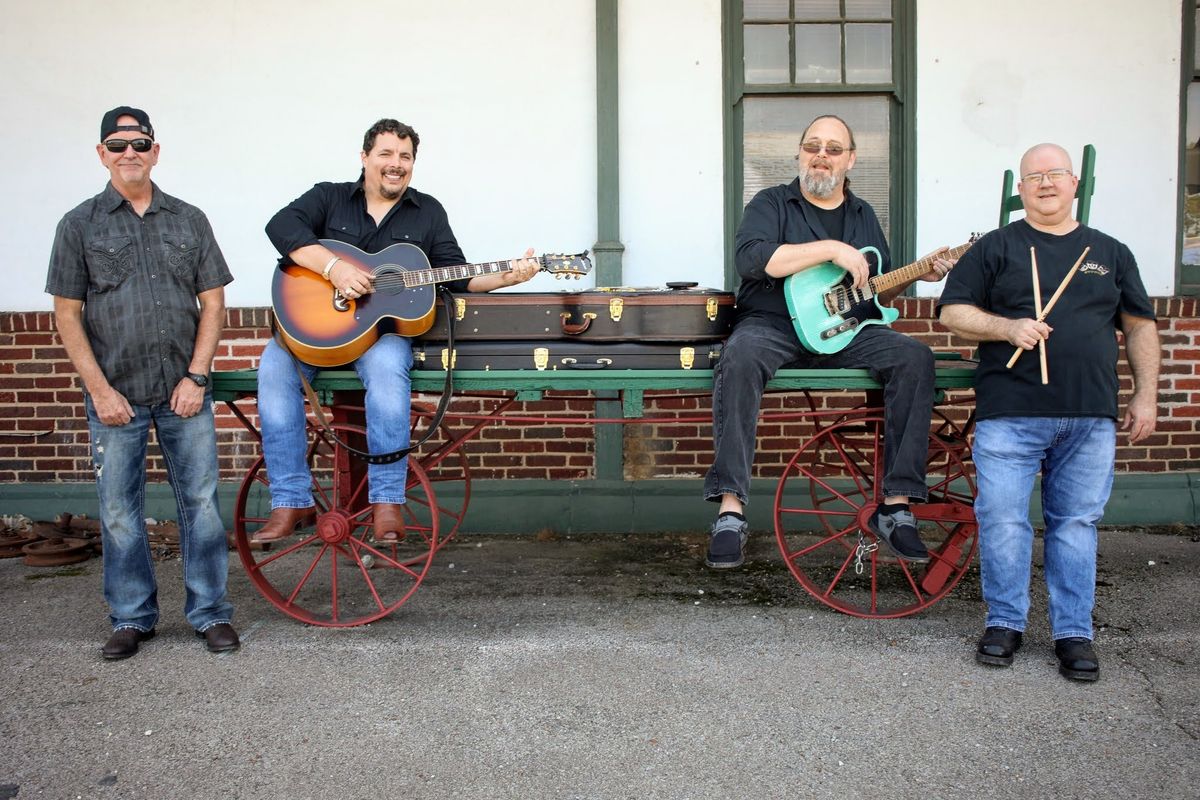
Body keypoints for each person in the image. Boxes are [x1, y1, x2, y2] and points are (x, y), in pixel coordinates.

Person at [253, 119, 537, 543]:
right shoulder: (328, 197)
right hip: (313, 333)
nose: (395, 164)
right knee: (274, 368)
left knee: (389, 369)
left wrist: (508, 276)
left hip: (380, 337)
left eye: (405, 157)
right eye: (386, 154)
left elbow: (456, 277)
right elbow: (280, 227)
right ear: (365, 157)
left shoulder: (428, 212)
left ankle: (386, 502)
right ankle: (292, 502)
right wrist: (335, 268)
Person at [938, 143, 1160, 682]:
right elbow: (952, 311)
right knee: (1003, 520)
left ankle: (1073, 634)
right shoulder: (995, 247)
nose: (1045, 183)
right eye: (1033, 176)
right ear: (1021, 188)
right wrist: (1007, 327)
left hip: (1089, 415)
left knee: (1075, 524)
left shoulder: (1109, 251)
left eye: (1055, 173)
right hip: (1009, 412)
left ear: (1074, 182)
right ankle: (1005, 622)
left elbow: (1139, 326)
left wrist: (1145, 395)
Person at [704, 114, 954, 569]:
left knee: (914, 356)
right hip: (773, 324)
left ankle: (896, 506)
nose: (822, 155)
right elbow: (752, 259)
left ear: (850, 159)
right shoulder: (772, 203)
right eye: (813, 146)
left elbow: (874, 288)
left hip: (847, 330)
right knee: (739, 357)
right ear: (800, 153)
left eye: (834, 149)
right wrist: (831, 249)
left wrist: (920, 272)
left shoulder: (862, 215)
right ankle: (731, 510)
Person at [46, 107, 238, 660]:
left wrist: (197, 375)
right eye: (117, 144)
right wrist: (100, 391)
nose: (129, 152)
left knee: (200, 504)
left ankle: (211, 614)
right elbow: (66, 313)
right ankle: (131, 617)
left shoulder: (189, 219)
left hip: (184, 392)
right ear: (101, 154)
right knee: (118, 510)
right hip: (116, 398)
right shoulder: (78, 224)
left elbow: (213, 301)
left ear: (156, 151)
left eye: (140, 143)